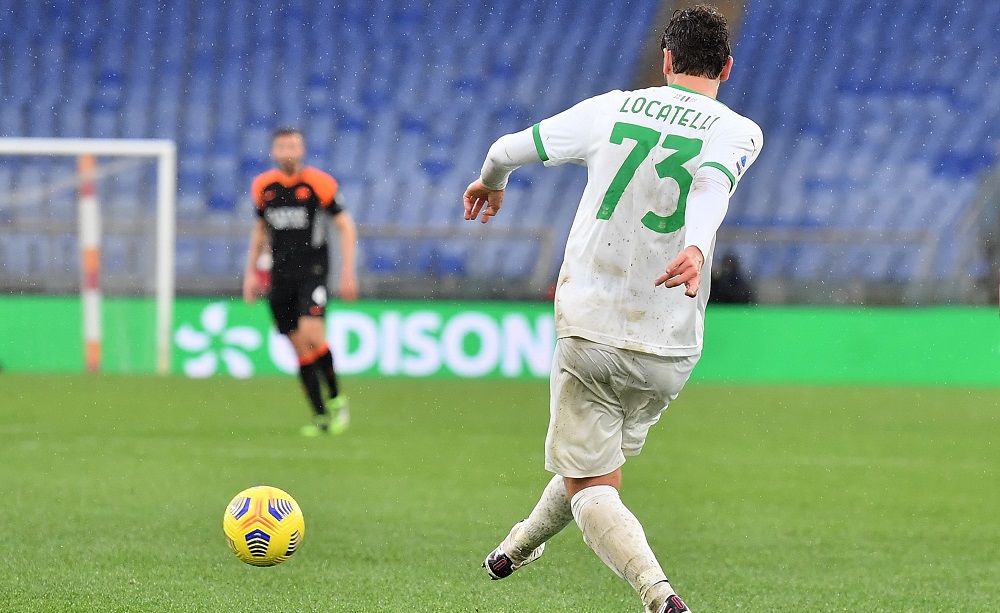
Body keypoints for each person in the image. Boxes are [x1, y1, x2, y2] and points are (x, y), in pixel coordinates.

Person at [462, 6, 762, 613]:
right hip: (671, 343)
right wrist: (697, 246)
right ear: (727, 68)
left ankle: (659, 596)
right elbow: (710, 186)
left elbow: (505, 149)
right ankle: (517, 547)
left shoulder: (611, 108)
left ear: (667, 61)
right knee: (597, 468)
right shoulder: (740, 130)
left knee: (591, 484)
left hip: (591, 325)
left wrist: (491, 180)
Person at [243, 127, 359, 437]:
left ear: (302, 150)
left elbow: (346, 227)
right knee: (298, 347)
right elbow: (259, 232)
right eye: (282, 146)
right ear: (273, 152)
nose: (288, 151)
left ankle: (336, 398)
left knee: (312, 333)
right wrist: (251, 273)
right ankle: (320, 416)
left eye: (293, 145)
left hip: (313, 273)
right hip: (279, 278)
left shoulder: (319, 184)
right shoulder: (263, 187)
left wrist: (348, 272)